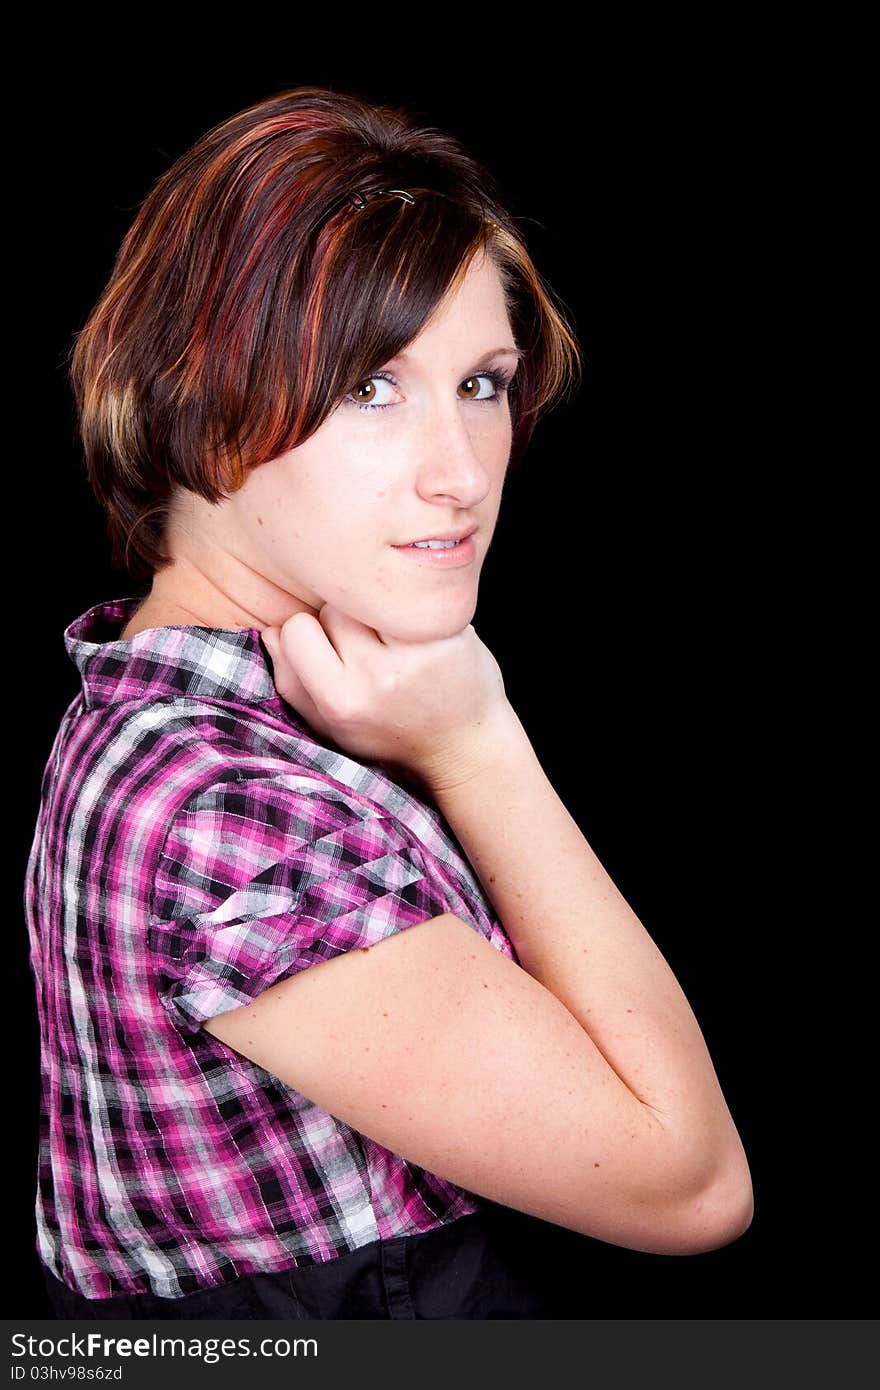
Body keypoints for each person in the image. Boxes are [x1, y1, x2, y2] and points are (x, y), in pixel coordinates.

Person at [26, 85, 753, 1321]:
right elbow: (688, 1184)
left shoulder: (211, 698)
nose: (461, 471)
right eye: (371, 386)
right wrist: (481, 742)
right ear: (196, 400)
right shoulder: (222, 806)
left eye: (481, 383)